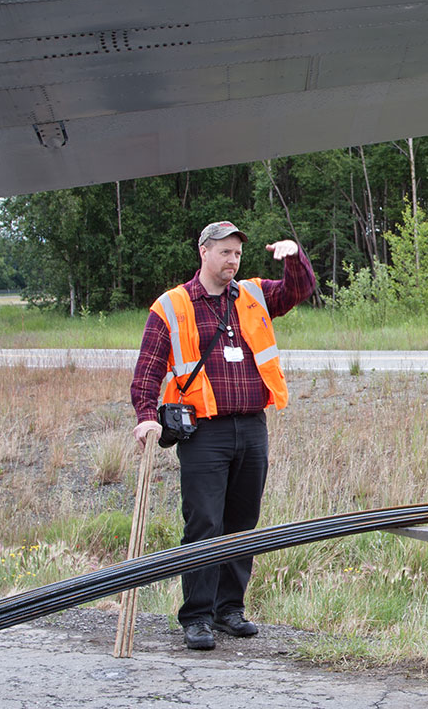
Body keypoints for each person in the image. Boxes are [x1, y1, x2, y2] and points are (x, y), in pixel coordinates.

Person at [131, 221, 315, 650]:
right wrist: (146, 416)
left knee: (242, 524)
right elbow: (148, 370)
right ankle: (197, 616)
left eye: (237, 254)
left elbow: (298, 290)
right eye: (225, 252)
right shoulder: (172, 306)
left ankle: (228, 610)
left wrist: (294, 257)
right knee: (204, 524)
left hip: (251, 427)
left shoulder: (253, 294)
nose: (233, 260)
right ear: (204, 252)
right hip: (203, 433)